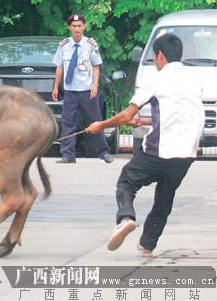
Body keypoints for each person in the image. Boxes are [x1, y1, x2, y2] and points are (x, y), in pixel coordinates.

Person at [86, 33, 204, 257]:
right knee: (165, 197)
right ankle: (147, 245)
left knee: (127, 181)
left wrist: (100, 125)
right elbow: (179, 114)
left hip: (159, 150)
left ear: (160, 56)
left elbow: (127, 114)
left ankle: (126, 219)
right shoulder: (194, 79)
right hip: (187, 154)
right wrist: (145, 121)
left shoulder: (156, 79)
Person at [52, 14, 113, 164]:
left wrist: (95, 85)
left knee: (95, 120)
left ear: (84, 27)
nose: (77, 29)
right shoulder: (64, 45)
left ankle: (103, 152)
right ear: (70, 28)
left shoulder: (91, 44)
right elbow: (60, 67)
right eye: (74, 26)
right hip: (70, 90)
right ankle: (68, 155)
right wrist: (55, 87)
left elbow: (96, 66)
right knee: (68, 122)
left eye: (80, 26)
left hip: (86, 89)